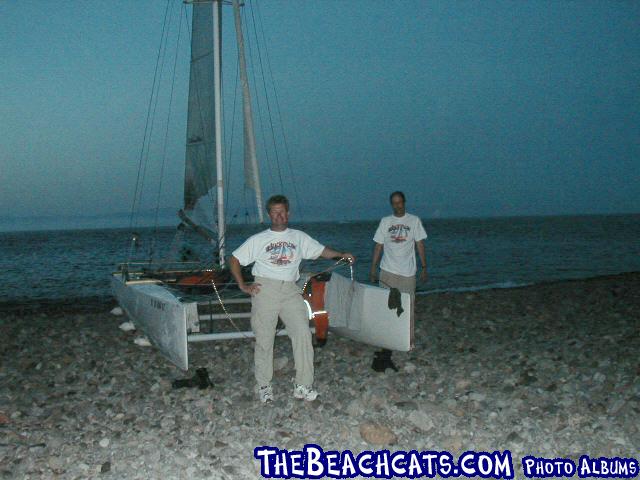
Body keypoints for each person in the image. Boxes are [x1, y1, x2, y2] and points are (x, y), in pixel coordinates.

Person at [229, 194, 355, 403]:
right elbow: (234, 259)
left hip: (290, 290)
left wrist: (341, 254)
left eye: (282, 211)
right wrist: (242, 284)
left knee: (303, 334)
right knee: (265, 338)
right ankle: (264, 385)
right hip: (265, 289)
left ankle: (303, 385)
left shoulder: (299, 237)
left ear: (288, 213)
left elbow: (322, 251)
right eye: (275, 212)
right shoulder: (259, 240)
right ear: (270, 214)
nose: (279, 215)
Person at [369, 191, 427, 372]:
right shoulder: (385, 222)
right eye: (394, 203)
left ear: (405, 202)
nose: (398, 206)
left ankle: (405, 340)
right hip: (388, 271)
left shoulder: (414, 220)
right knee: (388, 308)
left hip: (408, 272)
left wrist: (424, 267)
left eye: (400, 202)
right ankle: (386, 341)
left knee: (408, 306)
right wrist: (373, 267)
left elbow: (419, 244)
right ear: (391, 204)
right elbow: (378, 245)